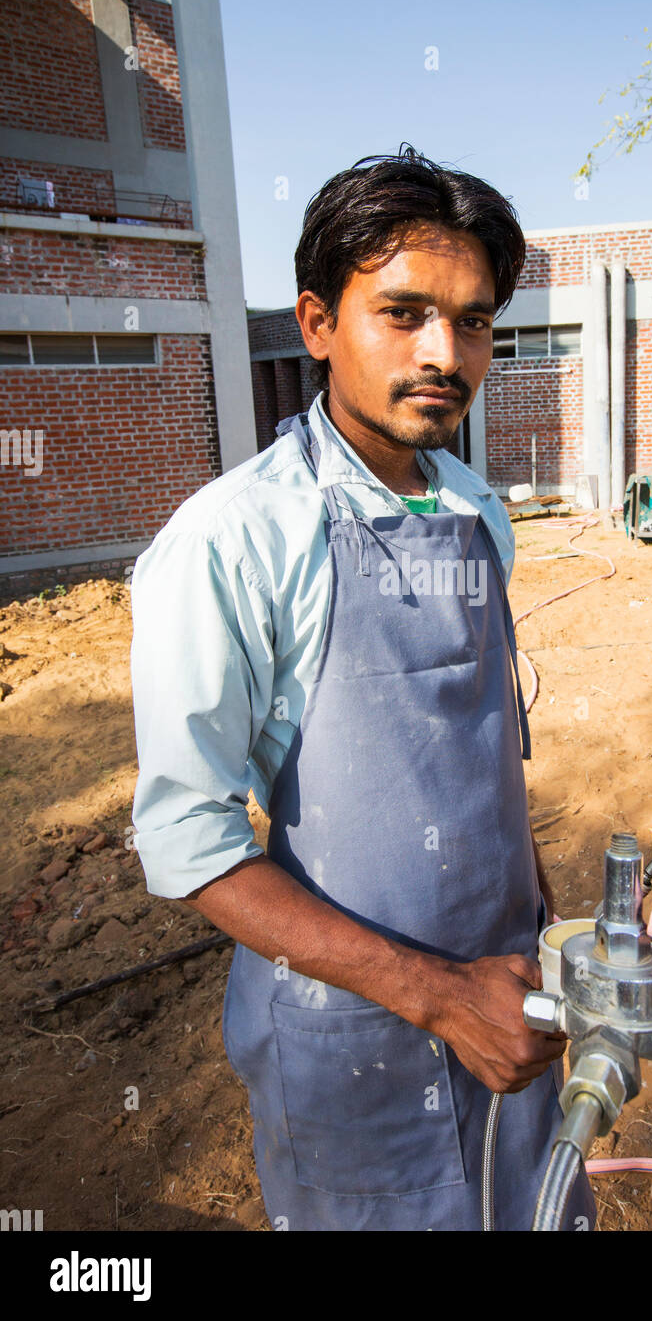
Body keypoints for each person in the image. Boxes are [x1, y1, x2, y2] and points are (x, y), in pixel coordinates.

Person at [129, 146, 597, 1233]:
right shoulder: (232, 541)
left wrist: (545, 925)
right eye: (402, 312)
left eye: (473, 320)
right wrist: (439, 996)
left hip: (513, 1006)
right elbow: (186, 841)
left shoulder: (477, 509)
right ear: (315, 322)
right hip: (352, 1052)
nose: (445, 353)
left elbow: (488, 753)